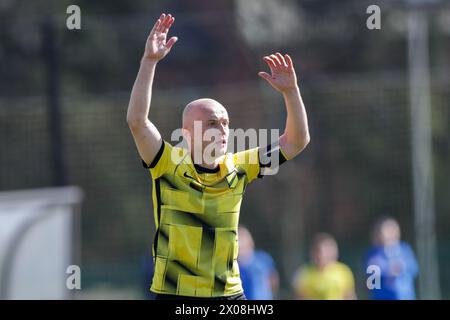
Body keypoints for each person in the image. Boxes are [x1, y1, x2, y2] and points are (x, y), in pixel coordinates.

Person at [127, 13, 310, 299]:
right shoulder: (166, 163)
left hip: (229, 297)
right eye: (213, 122)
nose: (222, 129)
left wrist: (291, 92)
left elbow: (297, 141)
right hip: (175, 296)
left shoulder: (240, 167)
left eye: (225, 122)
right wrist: (149, 62)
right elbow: (137, 121)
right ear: (187, 133)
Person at [364, 216, 419, 300]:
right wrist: (387, 271)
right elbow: (372, 282)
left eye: (392, 230)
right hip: (382, 297)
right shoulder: (374, 254)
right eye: (387, 231)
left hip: (405, 296)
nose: (390, 234)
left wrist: (401, 268)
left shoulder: (405, 249)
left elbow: (414, 268)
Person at [292, 233, 356, 300]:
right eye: (319, 251)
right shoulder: (304, 273)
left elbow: (349, 296)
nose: (322, 255)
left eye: (326, 251)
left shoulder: (343, 271)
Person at [237, 225, 279, 300]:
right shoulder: (234, 266)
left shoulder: (263, 259)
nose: (242, 241)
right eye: (239, 238)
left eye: (244, 237)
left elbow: (273, 280)